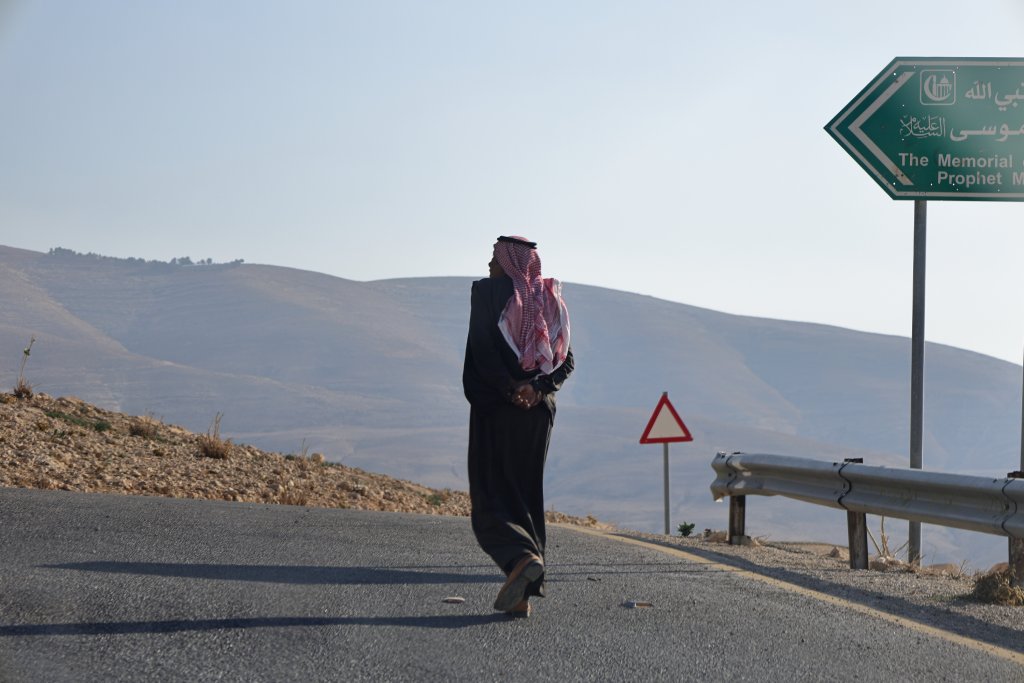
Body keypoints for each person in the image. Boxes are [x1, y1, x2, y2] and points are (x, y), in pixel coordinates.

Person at [462, 235, 574, 618]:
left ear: (507, 262)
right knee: (526, 498)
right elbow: (565, 359)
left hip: (499, 410)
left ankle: (520, 557)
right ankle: (523, 591)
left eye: (494, 257)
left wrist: (512, 391)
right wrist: (538, 388)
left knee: (492, 496)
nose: (489, 264)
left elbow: (482, 349)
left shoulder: (489, 292)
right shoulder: (549, 297)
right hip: (538, 416)